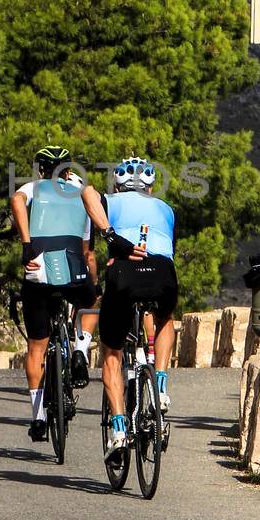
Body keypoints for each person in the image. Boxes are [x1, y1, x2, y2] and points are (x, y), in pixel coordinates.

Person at [9, 146, 101, 445]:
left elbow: (17, 200)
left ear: (41, 170)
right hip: (73, 267)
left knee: (37, 346)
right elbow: (88, 253)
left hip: (39, 269)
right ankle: (80, 349)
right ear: (69, 170)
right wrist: (94, 282)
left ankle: (37, 416)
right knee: (90, 302)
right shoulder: (81, 191)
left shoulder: (33, 188)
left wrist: (26, 244)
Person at [98, 156, 179, 461]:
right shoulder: (167, 210)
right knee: (164, 317)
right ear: (151, 186)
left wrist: (110, 236)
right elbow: (169, 247)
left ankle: (119, 429)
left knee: (112, 353)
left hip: (125, 272)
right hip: (162, 270)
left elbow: (86, 194)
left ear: (117, 185)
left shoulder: (111, 202)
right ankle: (159, 382)